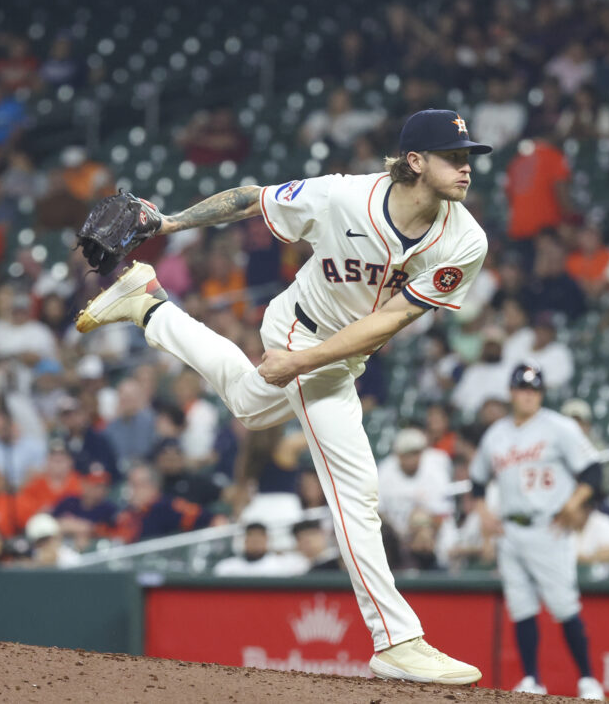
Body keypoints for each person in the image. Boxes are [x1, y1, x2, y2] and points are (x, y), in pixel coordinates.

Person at [76, 109, 490, 682]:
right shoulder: (342, 198)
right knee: (356, 490)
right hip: (298, 329)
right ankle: (395, 638)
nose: (467, 168)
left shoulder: (465, 239)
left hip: (330, 353)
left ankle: (145, 302)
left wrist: (301, 364)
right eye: (455, 156)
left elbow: (390, 321)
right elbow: (252, 199)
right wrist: (167, 224)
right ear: (415, 162)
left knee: (249, 404)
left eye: (469, 157)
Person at [469, 364, 605, 700]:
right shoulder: (496, 434)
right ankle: (532, 678)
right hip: (510, 531)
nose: (528, 394)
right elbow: (476, 481)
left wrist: (574, 502)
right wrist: (483, 511)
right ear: (511, 392)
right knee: (521, 607)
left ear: (541, 394)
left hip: (549, 527)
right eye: (522, 388)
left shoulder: (560, 427)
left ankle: (588, 680)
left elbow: (593, 471)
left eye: (534, 389)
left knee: (563, 606)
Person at [377, 427, 453, 542]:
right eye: (408, 454)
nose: (412, 459)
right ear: (398, 455)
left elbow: (443, 513)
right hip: (396, 537)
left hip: (433, 535)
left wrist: (421, 526)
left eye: (416, 453)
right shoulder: (385, 471)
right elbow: (378, 512)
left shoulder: (436, 468)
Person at [214, 522, 305, 576]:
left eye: (259, 538)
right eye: (251, 537)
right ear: (244, 540)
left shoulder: (283, 565)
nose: (255, 542)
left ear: (267, 540)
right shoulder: (227, 567)